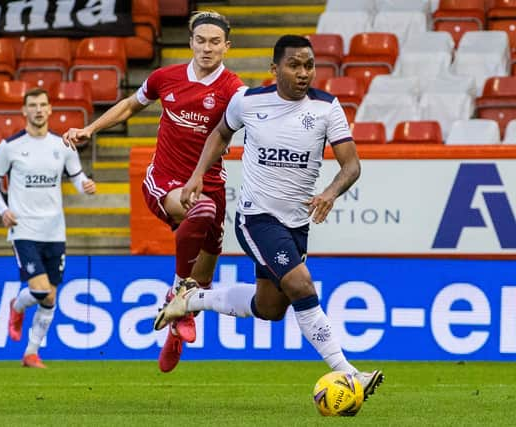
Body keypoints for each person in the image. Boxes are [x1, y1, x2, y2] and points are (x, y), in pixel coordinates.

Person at [155, 35, 384, 399]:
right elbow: (220, 133)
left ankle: (192, 300)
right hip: (257, 219)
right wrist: (198, 174)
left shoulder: (327, 107)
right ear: (275, 69)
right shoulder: (247, 101)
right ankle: (350, 373)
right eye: (294, 65)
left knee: (271, 307)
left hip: (296, 225)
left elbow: (351, 165)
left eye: (309, 65)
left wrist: (329, 192)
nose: (304, 72)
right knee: (301, 286)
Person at [62, 11, 244, 372]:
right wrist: (90, 129)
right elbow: (131, 105)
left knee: (204, 281)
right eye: (200, 40)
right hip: (164, 182)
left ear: (227, 46)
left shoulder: (234, 91)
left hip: (211, 184)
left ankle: (177, 327)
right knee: (201, 211)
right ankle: (177, 290)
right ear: (190, 42)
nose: (207, 48)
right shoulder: (166, 77)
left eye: (214, 42)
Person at [0, 87, 96, 368]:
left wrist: (85, 186)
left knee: (50, 296)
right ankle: (17, 306)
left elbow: (77, 177)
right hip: (24, 229)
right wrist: (3, 210)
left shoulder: (62, 145)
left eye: (42, 104)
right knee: (39, 289)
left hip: (55, 230)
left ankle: (31, 352)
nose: (37, 109)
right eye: (32, 105)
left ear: (50, 110)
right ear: (24, 111)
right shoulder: (9, 146)